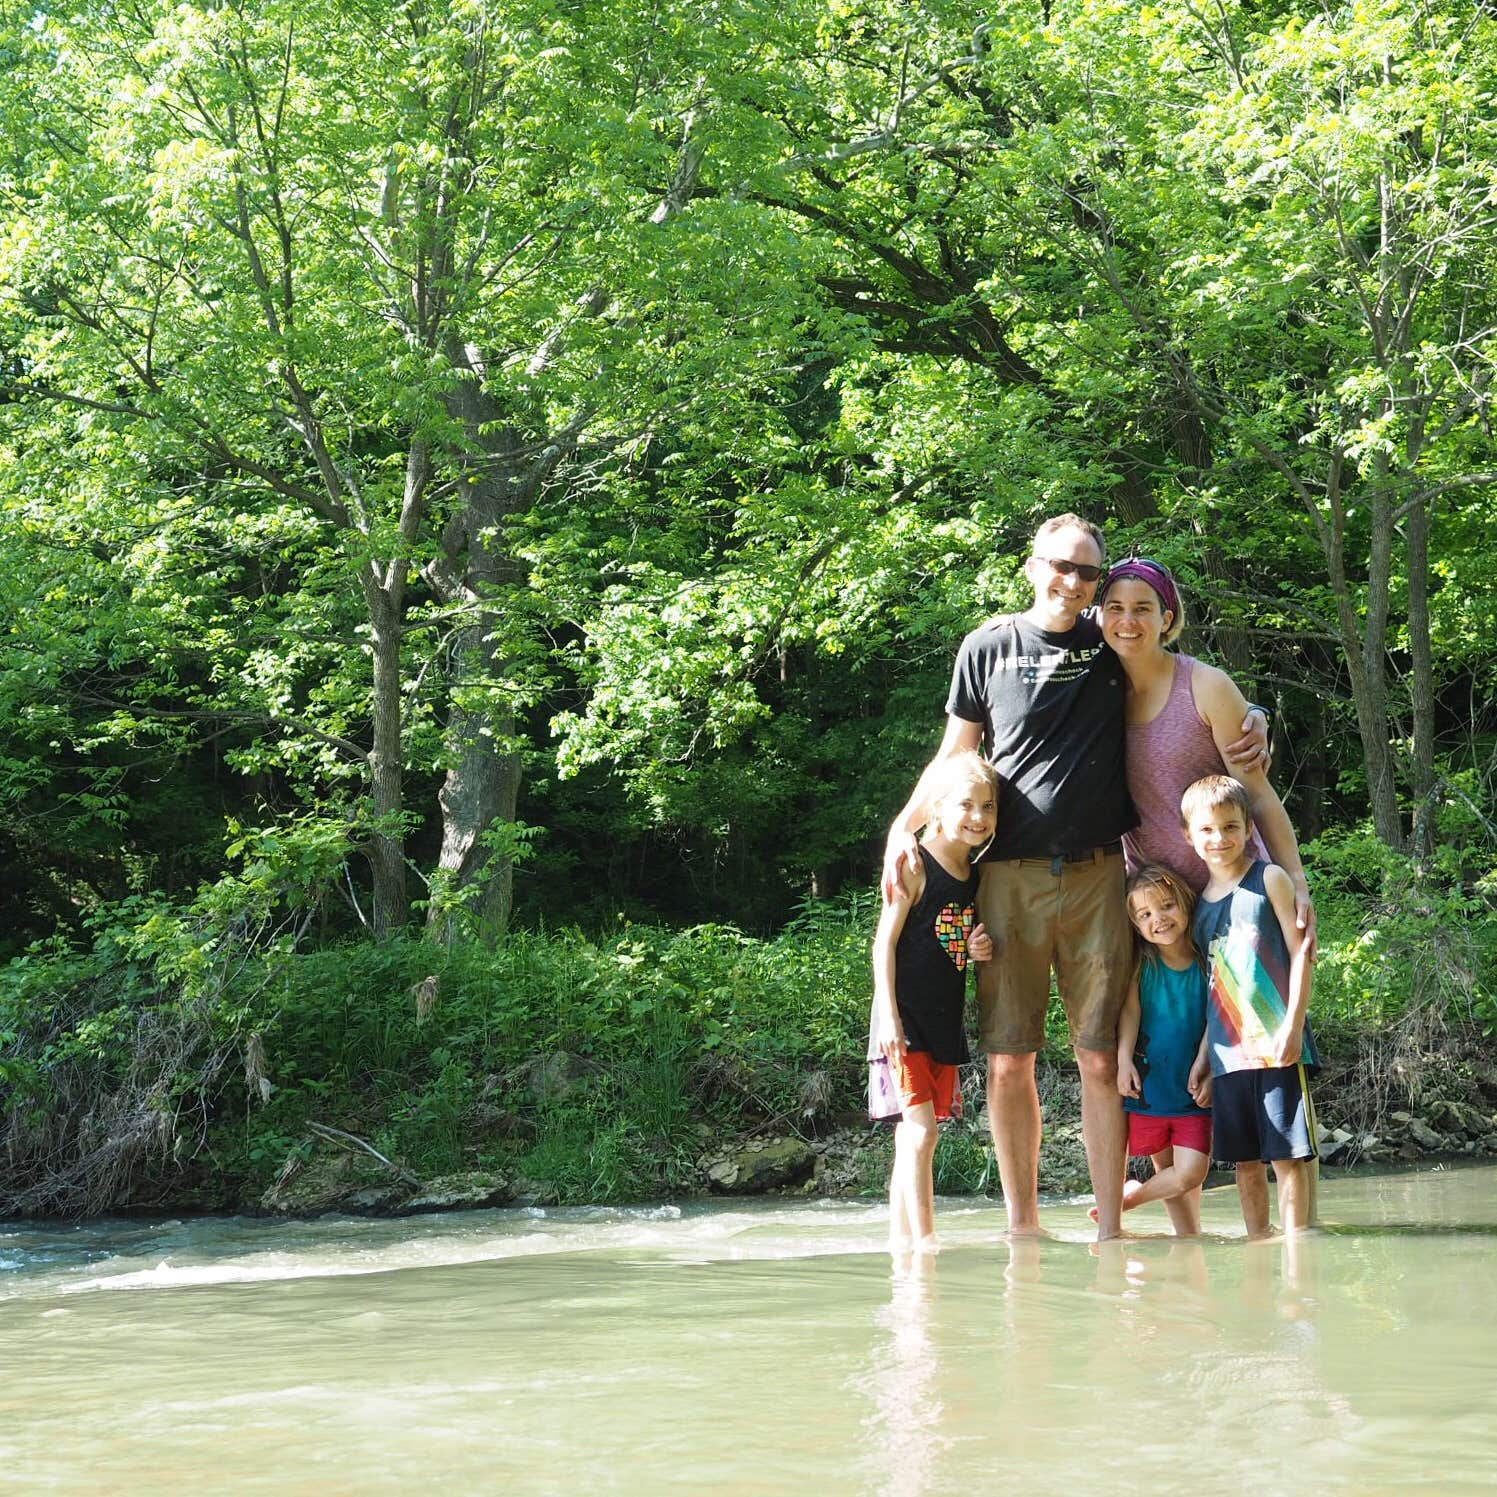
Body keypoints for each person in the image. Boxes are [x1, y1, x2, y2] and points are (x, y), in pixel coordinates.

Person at [883, 515, 1268, 1240]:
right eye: (1061, 566)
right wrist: (901, 832)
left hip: (1098, 874)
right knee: (1007, 1061)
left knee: (1097, 1056)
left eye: (1088, 573)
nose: (1075, 582)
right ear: (1031, 566)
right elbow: (951, 753)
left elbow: (1186, 681)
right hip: (1005, 878)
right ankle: (1022, 1227)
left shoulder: (1106, 643)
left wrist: (1257, 715)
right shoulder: (986, 647)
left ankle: (1109, 1230)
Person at [1097, 557, 1313, 947]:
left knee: (1255, 1009)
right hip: (1160, 912)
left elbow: (1259, 796)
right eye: (1115, 608)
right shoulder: (1094, 692)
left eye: (1142, 608)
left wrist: (1296, 883)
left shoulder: (1205, 686)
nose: (1127, 621)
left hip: (1236, 898)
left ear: (1166, 618)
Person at [869, 751, 998, 1252]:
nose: (978, 817)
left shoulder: (974, 872)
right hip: (904, 1020)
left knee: (915, 1136)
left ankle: (899, 1241)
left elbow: (944, 934)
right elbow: (885, 942)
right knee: (921, 1133)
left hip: (944, 1019)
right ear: (937, 808)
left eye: (988, 807)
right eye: (966, 805)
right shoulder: (914, 862)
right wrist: (888, 1017)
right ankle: (925, 1243)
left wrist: (973, 947)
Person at [1182, 775, 1318, 1237]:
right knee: (1244, 1163)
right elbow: (1213, 987)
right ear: (1189, 836)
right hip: (1227, 1055)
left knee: (1286, 1158)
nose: (1219, 838)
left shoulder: (1269, 878)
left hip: (1277, 1043)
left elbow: (1303, 951)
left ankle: (1298, 1248)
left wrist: (1293, 1027)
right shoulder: (1199, 908)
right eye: (1207, 829)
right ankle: (1259, 1244)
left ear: (1247, 829)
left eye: (1230, 827)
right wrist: (1204, 1057)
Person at [1109, 864, 1212, 1236]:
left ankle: (1131, 1200)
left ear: (1185, 903)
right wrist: (1123, 1061)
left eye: (1167, 906)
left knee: (1190, 1172)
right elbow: (1130, 1011)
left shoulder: (1207, 960)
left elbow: (1217, 1016)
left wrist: (1211, 1067)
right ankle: (1188, 1240)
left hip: (1193, 1089)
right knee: (1166, 1170)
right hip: (1151, 1088)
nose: (1159, 919)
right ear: (1136, 925)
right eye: (1146, 914)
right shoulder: (1143, 962)